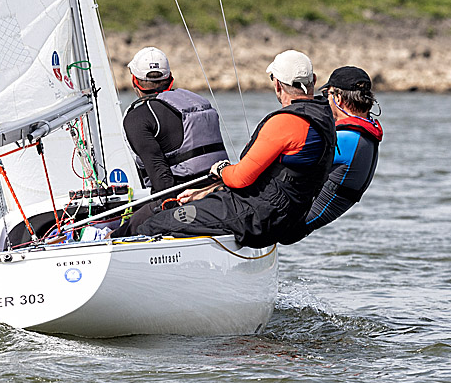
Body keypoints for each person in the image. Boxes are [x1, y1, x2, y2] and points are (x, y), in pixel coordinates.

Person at [112, 50, 335, 248]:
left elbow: (239, 179)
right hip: (284, 218)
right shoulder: (326, 119)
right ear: (314, 79)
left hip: (255, 218)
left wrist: (221, 170)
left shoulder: (285, 123)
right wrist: (205, 191)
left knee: (155, 224)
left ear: (276, 83)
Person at [278, 66, 383, 245]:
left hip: (289, 228)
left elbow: (286, 159)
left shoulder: (347, 139)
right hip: (299, 223)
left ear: (339, 99)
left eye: (328, 93)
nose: (326, 99)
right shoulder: (364, 133)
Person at [121, 46, 229, 193]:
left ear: (134, 80)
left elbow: (163, 182)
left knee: (136, 218)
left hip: (186, 198)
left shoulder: (137, 118)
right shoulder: (200, 101)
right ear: (170, 78)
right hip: (221, 187)